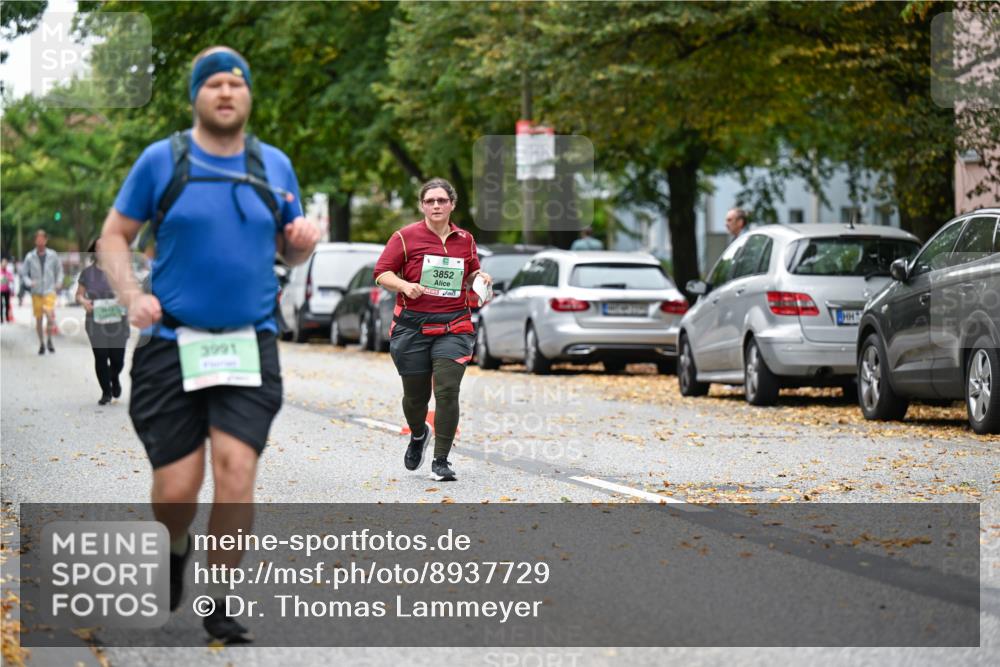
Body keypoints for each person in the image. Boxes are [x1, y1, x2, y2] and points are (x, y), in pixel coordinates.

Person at [99, 46, 319, 644]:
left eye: (236, 84)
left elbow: (290, 250)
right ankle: (175, 547)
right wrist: (129, 297)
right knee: (176, 489)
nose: (226, 92)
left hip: (250, 343)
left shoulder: (274, 165)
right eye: (214, 84)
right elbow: (114, 237)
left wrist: (302, 241)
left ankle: (219, 599)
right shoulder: (161, 161)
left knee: (236, 471)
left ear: (248, 96)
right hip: (172, 343)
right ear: (197, 95)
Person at [374, 178, 492, 482]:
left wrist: (481, 278)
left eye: (442, 200)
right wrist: (404, 285)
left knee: (448, 390)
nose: (436, 206)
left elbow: (471, 271)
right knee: (415, 398)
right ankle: (418, 433)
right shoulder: (404, 237)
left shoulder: (465, 239)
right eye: (430, 201)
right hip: (411, 327)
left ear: (452, 204)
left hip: (454, 325)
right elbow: (381, 273)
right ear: (422, 206)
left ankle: (441, 460)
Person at [76, 239, 130, 405]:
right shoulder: (87, 273)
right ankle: (106, 392)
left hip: (117, 321)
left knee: (117, 359)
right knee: (101, 356)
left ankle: (114, 376)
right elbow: (79, 295)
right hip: (95, 320)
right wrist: (84, 302)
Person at [22, 229, 63, 354]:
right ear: (35, 240)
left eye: (42, 239)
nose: (40, 241)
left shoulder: (53, 255)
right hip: (36, 291)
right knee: (39, 319)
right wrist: (29, 282)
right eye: (37, 239)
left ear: (45, 240)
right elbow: (24, 274)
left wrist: (59, 282)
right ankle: (42, 344)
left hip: (49, 290)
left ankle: (50, 339)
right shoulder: (30, 256)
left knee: (49, 315)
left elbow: (59, 270)